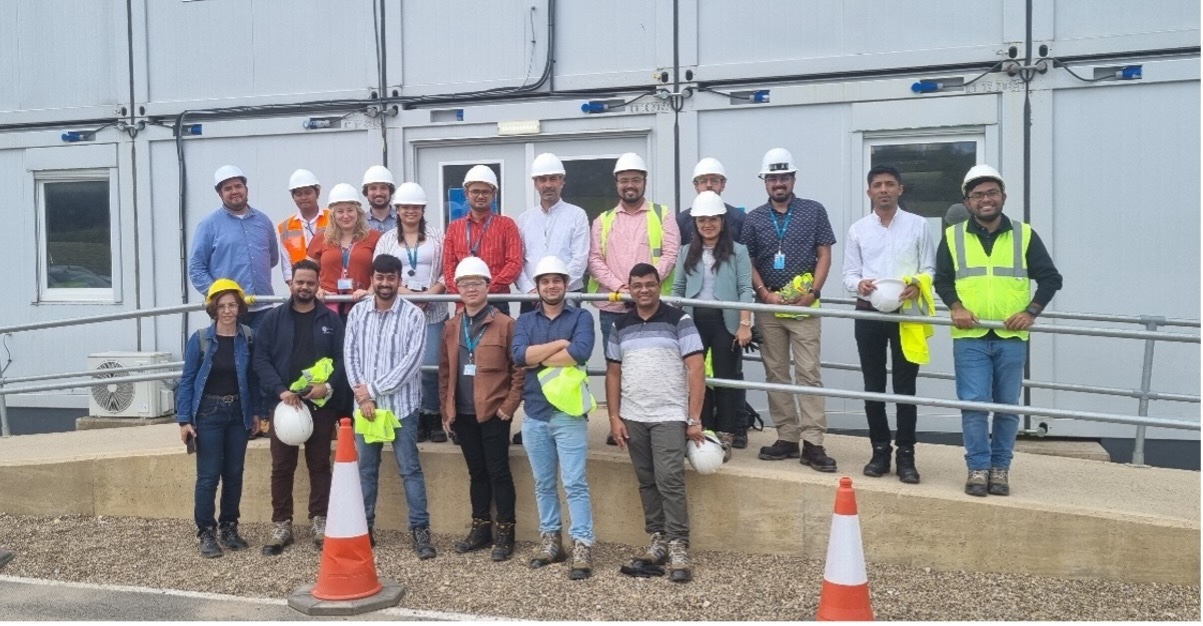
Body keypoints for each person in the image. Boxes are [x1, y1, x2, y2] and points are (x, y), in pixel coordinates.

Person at [934, 164, 1062, 497]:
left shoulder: (1024, 234)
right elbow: (942, 280)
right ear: (968, 201)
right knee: (974, 405)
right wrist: (956, 307)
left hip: (1010, 337)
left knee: (1007, 407)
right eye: (978, 195)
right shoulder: (953, 236)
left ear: (1003, 196)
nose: (985, 200)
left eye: (992, 193)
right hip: (970, 336)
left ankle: (1000, 469)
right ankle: (978, 468)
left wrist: (1031, 311)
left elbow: (1051, 278)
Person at [606, 263, 705, 583]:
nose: (644, 290)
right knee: (647, 480)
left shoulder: (679, 319)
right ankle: (658, 540)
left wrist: (693, 418)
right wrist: (614, 417)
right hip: (634, 416)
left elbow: (696, 369)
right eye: (637, 285)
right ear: (629, 289)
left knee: (670, 479)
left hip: (669, 415)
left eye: (650, 284)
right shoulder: (620, 324)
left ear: (659, 285)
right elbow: (613, 373)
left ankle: (678, 545)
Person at [742, 147, 838, 472]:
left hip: (805, 307)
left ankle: (813, 443)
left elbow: (824, 254)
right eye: (772, 178)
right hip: (769, 309)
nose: (778, 183)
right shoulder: (754, 219)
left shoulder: (814, 211)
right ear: (765, 181)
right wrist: (764, 294)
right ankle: (787, 436)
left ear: (793, 178)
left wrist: (813, 292)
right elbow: (749, 261)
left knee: (809, 373)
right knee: (777, 373)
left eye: (784, 176)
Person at [842, 166, 936, 484]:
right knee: (873, 386)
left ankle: (906, 456)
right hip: (869, 314)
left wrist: (919, 286)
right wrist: (860, 285)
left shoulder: (918, 226)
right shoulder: (858, 230)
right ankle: (879, 451)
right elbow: (848, 275)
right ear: (869, 192)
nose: (883, 190)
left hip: (907, 315)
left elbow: (930, 268)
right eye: (877, 185)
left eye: (889, 184)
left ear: (900, 189)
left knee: (905, 389)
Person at [344, 254, 436, 559]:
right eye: (380, 278)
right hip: (366, 408)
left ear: (400, 280)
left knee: (410, 470)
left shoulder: (413, 316)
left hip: (402, 406)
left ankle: (420, 530)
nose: (385, 284)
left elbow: (411, 364)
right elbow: (350, 356)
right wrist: (364, 396)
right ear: (372, 279)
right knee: (366, 470)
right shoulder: (358, 313)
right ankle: (364, 528)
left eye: (391, 278)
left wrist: (372, 389)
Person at [252, 259, 345, 555]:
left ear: (318, 286)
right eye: (300, 282)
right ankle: (281, 524)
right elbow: (261, 359)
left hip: (320, 404)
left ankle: (320, 522)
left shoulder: (331, 321)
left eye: (310, 283)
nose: (305, 287)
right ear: (290, 283)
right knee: (282, 466)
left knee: (319, 465)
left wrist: (327, 387)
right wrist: (280, 391)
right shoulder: (273, 319)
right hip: (284, 406)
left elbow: (344, 360)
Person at [512, 256, 597, 580]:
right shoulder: (526, 321)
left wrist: (542, 355)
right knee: (544, 482)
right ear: (537, 287)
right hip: (534, 413)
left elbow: (581, 352)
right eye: (545, 281)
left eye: (557, 280)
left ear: (566, 284)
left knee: (575, 483)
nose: (551, 286)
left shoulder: (582, 317)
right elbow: (519, 356)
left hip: (569, 413)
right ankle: (551, 541)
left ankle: (582, 544)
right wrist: (560, 343)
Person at [588, 152, 680, 445]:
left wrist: (645, 288)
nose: (630, 185)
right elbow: (594, 260)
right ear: (617, 183)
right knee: (617, 368)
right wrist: (622, 289)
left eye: (636, 180)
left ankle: (648, 424)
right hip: (614, 308)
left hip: (653, 309)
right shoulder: (602, 221)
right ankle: (620, 425)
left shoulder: (662, 214)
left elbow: (670, 254)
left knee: (651, 368)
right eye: (625, 180)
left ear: (644, 182)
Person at [439, 257, 525, 562]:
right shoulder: (452, 326)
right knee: (476, 472)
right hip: (462, 413)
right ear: (457, 288)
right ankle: (481, 527)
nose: (470, 288)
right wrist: (446, 411)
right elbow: (446, 372)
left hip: (493, 412)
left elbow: (519, 369)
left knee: (499, 472)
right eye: (465, 283)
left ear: (489, 286)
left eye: (477, 282)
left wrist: (509, 407)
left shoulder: (505, 325)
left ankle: (505, 531)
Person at [177, 279, 259, 558]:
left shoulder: (247, 336)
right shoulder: (200, 339)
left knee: (234, 474)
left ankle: (229, 526)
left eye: (232, 305)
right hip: (208, 414)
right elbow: (187, 380)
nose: (227, 310)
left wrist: (257, 413)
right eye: (221, 305)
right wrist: (184, 419)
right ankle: (206, 532)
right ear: (213, 308)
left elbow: (252, 378)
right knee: (208, 476)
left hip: (238, 413)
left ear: (239, 307)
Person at [672, 191, 754, 459]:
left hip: (726, 320)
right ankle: (703, 430)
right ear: (695, 223)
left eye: (713, 219)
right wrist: (675, 325)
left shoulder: (738, 251)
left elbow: (744, 288)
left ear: (722, 221)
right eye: (702, 220)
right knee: (698, 378)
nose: (707, 224)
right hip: (694, 320)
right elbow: (678, 289)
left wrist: (745, 324)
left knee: (727, 378)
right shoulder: (686, 251)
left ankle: (726, 434)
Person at [375, 182, 450, 444]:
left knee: (431, 365)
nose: (410, 211)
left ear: (423, 209)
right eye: (405, 206)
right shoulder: (386, 239)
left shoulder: (437, 235)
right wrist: (410, 294)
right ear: (397, 209)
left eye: (415, 207)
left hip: (434, 310)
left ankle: (433, 415)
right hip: (400, 311)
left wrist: (432, 293)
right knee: (405, 365)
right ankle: (413, 416)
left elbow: (447, 269)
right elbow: (380, 271)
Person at [188, 165, 279, 330]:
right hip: (230, 312)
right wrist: (220, 296)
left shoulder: (263, 221)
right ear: (220, 194)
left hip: (263, 309)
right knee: (231, 355)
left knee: (263, 356)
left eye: (238, 186)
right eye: (228, 188)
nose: (234, 191)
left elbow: (271, 259)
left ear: (246, 189)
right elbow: (196, 269)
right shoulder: (209, 225)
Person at [442, 165, 524, 317]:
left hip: (496, 300)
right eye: (475, 191)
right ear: (466, 194)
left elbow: (514, 263)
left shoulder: (507, 225)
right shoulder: (454, 228)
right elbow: (448, 267)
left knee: (498, 341)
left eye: (485, 191)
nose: (480, 196)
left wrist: (485, 290)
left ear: (494, 194)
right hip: (463, 302)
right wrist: (463, 294)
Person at [516, 153, 591, 315]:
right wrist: (530, 290)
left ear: (562, 182)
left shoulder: (577, 215)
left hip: (567, 296)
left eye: (553, 179)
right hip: (531, 299)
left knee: (569, 341)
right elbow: (518, 261)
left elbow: (580, 258)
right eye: (542, 179)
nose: (548, 184)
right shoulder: (524, 219)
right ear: (535, 184)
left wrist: (556, 288)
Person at [307, 183, 381, 320]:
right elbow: (307, 271)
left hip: (363, 304)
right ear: (333, 215)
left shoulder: (374, 237)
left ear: (358, 212)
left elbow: (381, 270)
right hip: (328, 306)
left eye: (350, 210)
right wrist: (318, 289)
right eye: (340, 211)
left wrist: (369, 291)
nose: (346, 216)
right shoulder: (320, 239)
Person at [676, 157, 747, 246]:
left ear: (723, 185)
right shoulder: (682, 221)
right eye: (703, 181)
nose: (709, 185)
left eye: (714, 180)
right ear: (696, 186)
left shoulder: (740, 219)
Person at [277, 169, 329, 285]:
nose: (304, 197)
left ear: (317, 193)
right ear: (293, 197)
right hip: (301, 287)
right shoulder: (286, 227)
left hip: (328, 286)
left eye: (308, 192)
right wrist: (293, 284)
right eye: (299, 194)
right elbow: (286, 261)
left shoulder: (333, 219)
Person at [362, 165, 398, 234]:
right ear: (366, 193)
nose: (378, 193)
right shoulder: (359, 223)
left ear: (390, 191)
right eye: (373, 188)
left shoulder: (402, 220)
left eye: (383, 188)